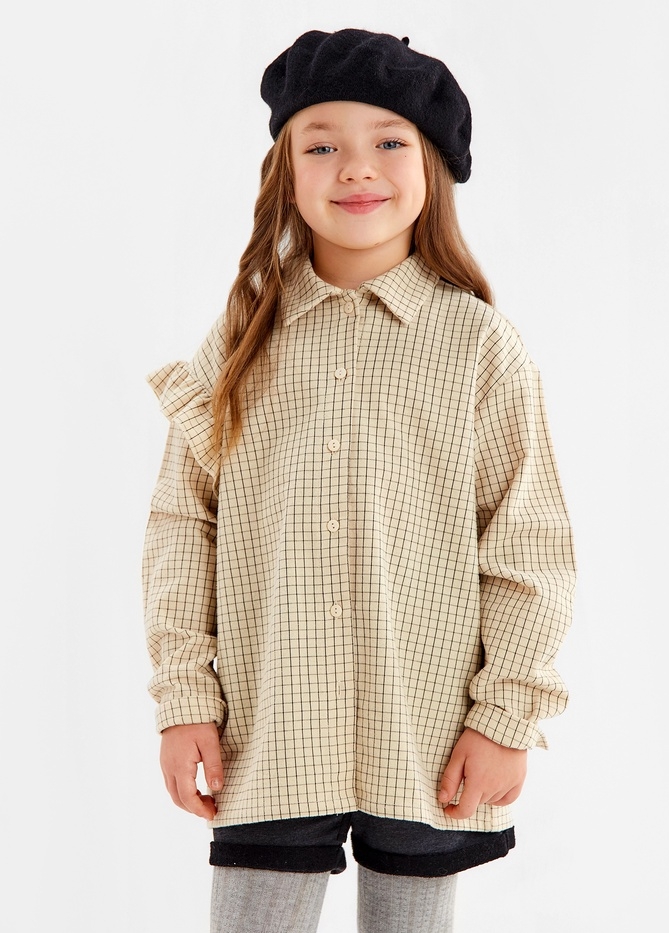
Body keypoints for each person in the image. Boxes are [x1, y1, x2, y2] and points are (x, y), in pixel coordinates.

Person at [142, 27, 576, 933]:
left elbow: (529, 544)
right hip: (269, 727)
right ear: (286, 172)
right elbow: (185, 523)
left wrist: (505, 715)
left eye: (388, 140)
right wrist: (185, 698)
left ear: (432, 166)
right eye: (322, 145)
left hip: (429, 728)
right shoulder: (242, 338)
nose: (356, 168)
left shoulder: (481, 347)